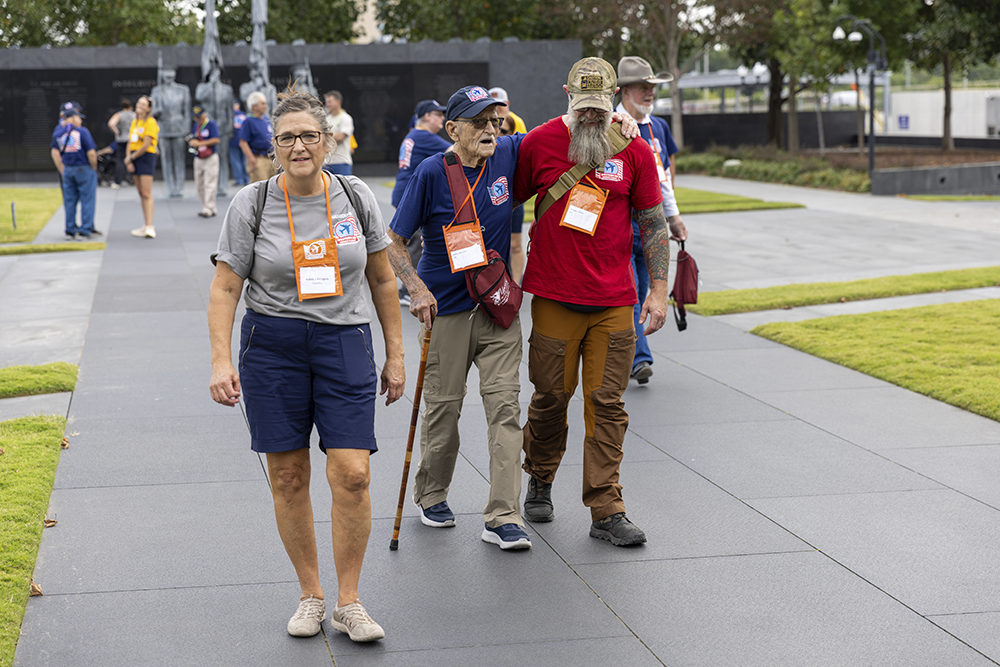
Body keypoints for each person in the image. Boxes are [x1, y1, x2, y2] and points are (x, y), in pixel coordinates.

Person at [208, 85, 404, 643]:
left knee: (354, 472)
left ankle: (350, 601)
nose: (299, 146)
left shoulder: (354, 194)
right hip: (272, 346)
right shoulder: (253, 203)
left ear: (328, 139)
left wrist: (396, 352)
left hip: (344, 341)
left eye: (309, 136)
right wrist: (221, 360)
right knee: (289, 475)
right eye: (287, 137)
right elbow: (225, 288)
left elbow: (383, 277)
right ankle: (311, 595)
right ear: (274, 145)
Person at [513, 57, 680, 546]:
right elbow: (503, 201)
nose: (591, 116)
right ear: (567, 93)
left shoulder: (633, 148)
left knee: (607, 404)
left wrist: (658, 290)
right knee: (549, 399)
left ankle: (607, 507)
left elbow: (652, 222)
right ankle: (540, 477)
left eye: (600, 107)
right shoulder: (538, 143)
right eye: (582, 107)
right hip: (555, 299)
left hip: (613, 302)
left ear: (614, 99)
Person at [387, 85, 532, 551]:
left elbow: (561, 131)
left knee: (506, 409)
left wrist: (618, 119)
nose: (491, 130)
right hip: (445, 310)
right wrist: (416, 288)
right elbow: (394, 241)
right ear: (453, 129)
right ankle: (431, 494)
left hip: (496, 309)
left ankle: (503, 515)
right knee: (444, 408)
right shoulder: (431, 172)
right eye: (479, 122)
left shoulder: (506, 155)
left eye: (496, 121)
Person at [616, 56, 687, 385]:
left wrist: (673, 216)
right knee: (630, 293)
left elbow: (664, 177)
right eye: (643, 88)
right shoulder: (611, 126)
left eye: (652, 88)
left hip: (651, 225)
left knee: (645, 290)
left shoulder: (657, 126)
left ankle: (631, 351)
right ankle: (639, 357)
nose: (649, 94)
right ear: (624, 91)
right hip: (620, 225)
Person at [391, 99, 451, 305]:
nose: (442, 118)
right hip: (411, 193)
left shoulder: (413, 134)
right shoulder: (424, 136)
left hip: (403, 190)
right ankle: (408, 289)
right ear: (427, 116)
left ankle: (404, 288)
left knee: (410, 241)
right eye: (438, 114)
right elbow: (456, 151)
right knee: (415, 242)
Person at [488, 87, 528, 283]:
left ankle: (515, 284)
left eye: (501, 105)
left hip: (511, 194)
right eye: (493, 106)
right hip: (491, 196)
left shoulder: (516, 122)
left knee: (515, 245)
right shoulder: (486, 126)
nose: (498, 109)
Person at [50, 106, 100, 240]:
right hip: (83, 168)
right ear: (72, 118)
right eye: (78, 117)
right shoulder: (83, 132)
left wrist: (62, 169)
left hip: (68, 169)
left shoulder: (58, 133)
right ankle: (85, 229)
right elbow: (91, 153)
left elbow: (54, 152)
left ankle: (70, 229)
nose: (80, 121)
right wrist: (94, 167)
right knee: (87, 199)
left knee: (70, 201)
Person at [150, 68, 191, 198]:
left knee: (179, 159)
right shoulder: (156, 90)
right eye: (166, 77)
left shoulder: (183, 89)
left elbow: (187, 112)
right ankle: (170, 187)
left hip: (178, 127)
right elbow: (151, 111)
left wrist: (186, 129)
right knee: (166, 159)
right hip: (163, 127)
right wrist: (156, 111)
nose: (168, 79)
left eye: (170, 77)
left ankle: (179, 187)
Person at [124, 95, 159, 239]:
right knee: (140, 192)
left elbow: (146, 145)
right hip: (134, 156)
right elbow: (130, 142)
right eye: (139, 103)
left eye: (144, 104)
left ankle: (150, 226)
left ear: (149, 108)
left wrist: (131, 157)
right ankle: (145, 224)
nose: (140, 106)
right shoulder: (135, 122)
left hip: (145, 157)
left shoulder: (150, 122)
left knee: (146, 193)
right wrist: (128, 159)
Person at [188, 105, 221, 218]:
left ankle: (208, 207)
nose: (197, 119)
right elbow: (195, 138)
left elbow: (216, 139)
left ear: (204, 115)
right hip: (198, 157)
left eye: (199, 117)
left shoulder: (211, 124)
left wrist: (200, 143)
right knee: (199, 184)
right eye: (195, 117)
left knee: (209, 183)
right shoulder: (196, 126)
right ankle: (209, 206)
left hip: (210, 157)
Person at [240, 91, 275, 184]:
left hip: (270, 159)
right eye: (262, 103)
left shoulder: (266, 119)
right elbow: (243, 142)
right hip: (259, 158)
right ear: (254, 106)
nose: (265, 105)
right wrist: (252, 160)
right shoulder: (249, 121)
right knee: (261, 189)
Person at [106, 98, 135, 189]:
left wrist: (117, 132)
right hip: (133, 139)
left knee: (121, 161)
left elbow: (111, 124)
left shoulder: (119, 114)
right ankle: (135, 179)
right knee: (133, 158)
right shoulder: (134, 115)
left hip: (122, 139)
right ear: (131, 107)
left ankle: (118, 181)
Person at [322, 91, 354, 175]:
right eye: (326, 102)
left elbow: (341, 137)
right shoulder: (326, 119)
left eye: (330, 102)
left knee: (343, 187)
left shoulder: (345, 118)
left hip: (342, 162)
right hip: (327, 163)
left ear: (338, 102)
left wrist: (324, 137)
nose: (327, 104)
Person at [230, 100, 249, 186]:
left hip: (233, 140)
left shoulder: (230, 115)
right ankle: (246, 178)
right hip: (244, 140)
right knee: (244, 160)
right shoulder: (244, 115)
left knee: (235, 160)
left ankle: (239, 180)